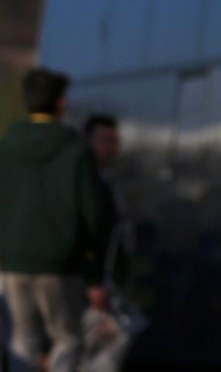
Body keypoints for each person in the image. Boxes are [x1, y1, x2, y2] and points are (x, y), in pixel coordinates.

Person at [0, 69, 111, 372]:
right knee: (67, 338)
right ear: (61, 104)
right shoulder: (75, 151)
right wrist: (94, 275)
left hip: (10, 262)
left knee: (22, 340)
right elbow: (94, 215)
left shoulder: (6, 146)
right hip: (61, 264)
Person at [80, 115, 135, 372]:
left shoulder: (106, 180)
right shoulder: (84, 182)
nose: (112, 147)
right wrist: (93, 280)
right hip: (90, 283)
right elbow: (86, 231)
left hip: (105, 279)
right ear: (88, 141)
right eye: (105, 140)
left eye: (114, 141)